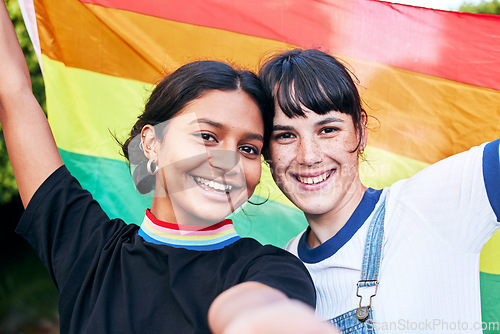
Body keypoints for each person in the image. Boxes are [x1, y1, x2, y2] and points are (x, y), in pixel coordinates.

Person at [0, 4, 339, 333]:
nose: (229, 163)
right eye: (207, 135)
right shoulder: (88, 249)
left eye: (248, 148)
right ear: (152, 143)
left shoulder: (272, 270)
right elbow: (13, 93)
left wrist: (250, 320)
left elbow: (260, 307)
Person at [258, 48, 500, 334]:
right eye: (285, 135)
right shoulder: (280, 273)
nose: (308, 156)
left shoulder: (429, 203)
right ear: (265, 151)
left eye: (328, 130)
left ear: (360, 130)